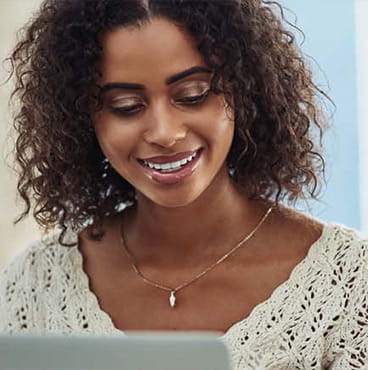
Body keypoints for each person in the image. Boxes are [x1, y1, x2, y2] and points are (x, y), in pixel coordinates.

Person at [1, 0, 367, 368]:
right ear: (82, 118)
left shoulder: (350, 282)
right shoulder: (35, 285)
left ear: (245, 90)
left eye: (193, 96)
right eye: (126, 106)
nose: (165, 133)